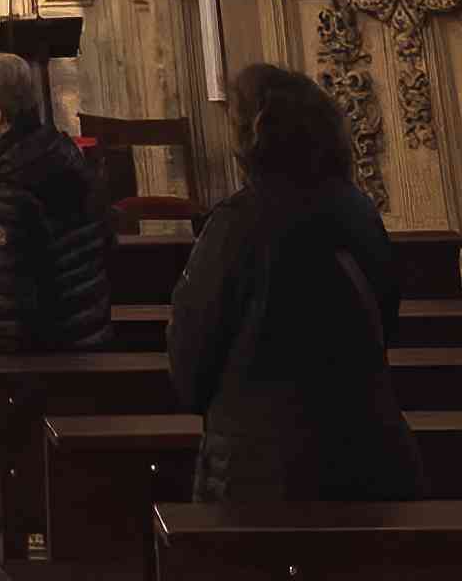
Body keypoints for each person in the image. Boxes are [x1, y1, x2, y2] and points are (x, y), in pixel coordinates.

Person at [167, 64, 424, 503]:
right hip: (367, 453)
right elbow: (384, 323)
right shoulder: (358, 212)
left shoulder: (235, 225)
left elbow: (190, 363)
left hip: (260, 470)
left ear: (250, 139)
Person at [0, 51, 112, 352]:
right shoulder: (67, 155)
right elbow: (104, 242)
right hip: (87, 335)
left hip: (36, 357)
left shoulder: (9, 186)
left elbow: (2, 297)